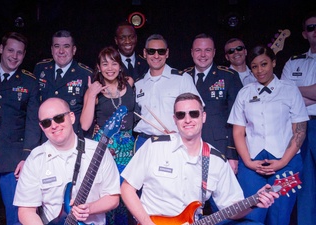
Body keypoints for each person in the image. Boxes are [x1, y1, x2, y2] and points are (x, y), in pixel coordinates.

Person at [121, 92, 279, 225]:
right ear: (175, 119)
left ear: (203, 116)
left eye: (194, 113)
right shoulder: (154, 146)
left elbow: (232, 209)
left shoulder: (217, 161)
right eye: (181, 115)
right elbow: (127, 189)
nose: (187, 120)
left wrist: (253, 203)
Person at [228, 45, 309, 224]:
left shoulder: (290, 90)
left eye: (264, 64)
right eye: (255, 66)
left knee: (279, 217)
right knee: (250, 217)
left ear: (273, 62)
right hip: (252, 165)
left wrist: (283, 162)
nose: (259, 70)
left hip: (286, 163)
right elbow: (238, 131)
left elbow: (300, 130)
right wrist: (248, 162)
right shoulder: (244, 93)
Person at [13, 97, 120, 225]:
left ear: (72, 117)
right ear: (42, 127)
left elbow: (113, 198)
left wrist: (90, 208)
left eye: (59, 118)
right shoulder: (35, 159)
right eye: (47, 123)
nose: (54, 126)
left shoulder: (98, 151)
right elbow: (26, 210)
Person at [0, 32, 41, 225]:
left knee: (16, 215)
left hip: (14, 160)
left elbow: (33, 123)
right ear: (1, 49)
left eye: (19, 52)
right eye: (10, 50)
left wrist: (26, 157)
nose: (14, 56)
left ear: (24, 55)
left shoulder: (29, 82)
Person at [80, 46, 135, 224]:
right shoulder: (94, 90)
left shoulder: (130, 83)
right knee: (108, 193)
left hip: (128, 146)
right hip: (105, 146)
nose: (110, 68)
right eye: (105, 64)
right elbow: (85, 124)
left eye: (114, 63)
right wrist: (91, 95)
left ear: (120, 65)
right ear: (99, 67)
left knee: (127, 192)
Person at [184, 33, 243, 173]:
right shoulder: (183, 76)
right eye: (198, 50)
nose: (203, 54)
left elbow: (238, 118)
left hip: (219, 147)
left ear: (214, 52)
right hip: (188, 147)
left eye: (208, 50)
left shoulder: (229, 77)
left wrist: (232, 153)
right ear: (192, 52)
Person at [280, 10, 316, 225]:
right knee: (303, 184)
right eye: (311, 28)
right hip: (299, 127)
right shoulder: (294, 62)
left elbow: (291, 94)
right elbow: (284, 98)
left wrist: (296, 92)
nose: (315, 31)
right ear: (304, 34)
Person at [134, 34, 200, 150]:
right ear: (145, 53)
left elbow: (197, 113)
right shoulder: (138, 84)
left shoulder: (182, 79)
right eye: (151, 51)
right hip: (144, 142)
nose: (156, 56)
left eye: (161, 51)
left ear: (167, 53)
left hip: (173, 140)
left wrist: (184, 134)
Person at [33, 29, 93, 138]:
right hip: (44, 136)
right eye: (57, 46)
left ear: (74, 50)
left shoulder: (85, 74)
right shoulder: (40, 68)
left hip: (73, 137)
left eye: (66, 46)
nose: (61, 51)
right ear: (52, 49)